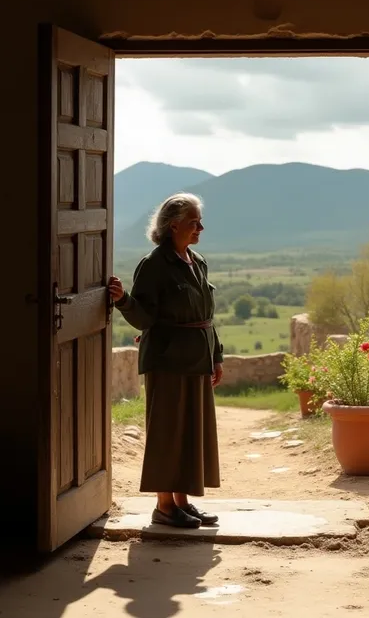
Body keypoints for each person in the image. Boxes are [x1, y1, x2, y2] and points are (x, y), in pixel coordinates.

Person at [108, 193, 224, 529]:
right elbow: (145, 317)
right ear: (173, 225)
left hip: (197, 359)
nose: (200, 227)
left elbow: (206, 316)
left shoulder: (196, 261)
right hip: (168, 360)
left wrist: (216, 356)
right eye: (193, 222)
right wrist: (123, 300)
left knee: (189, 433)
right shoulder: (155, 264)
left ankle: (182, 502)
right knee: (167, 433)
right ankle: (164, 506)